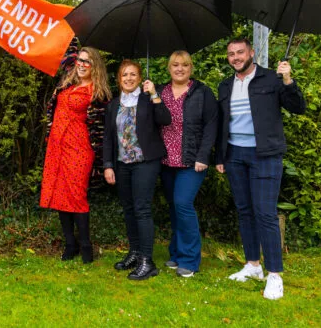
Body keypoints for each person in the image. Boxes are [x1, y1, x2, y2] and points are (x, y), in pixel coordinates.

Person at [215, 38, 306, 300]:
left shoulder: (272, 78)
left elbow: (298, 107)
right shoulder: (225, 85)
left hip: (264, 154)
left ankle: (275, 275)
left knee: (265, 213)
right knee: (245, 211)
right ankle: (253, 265)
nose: (236, 57)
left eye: (240, 52)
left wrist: (288, 80)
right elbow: (222, 124)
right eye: (231, 54)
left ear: (251, 53)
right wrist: (221, 156)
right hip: (235, 155)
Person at [40, 45, 111, 264]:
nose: (81, 64)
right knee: (60, 196)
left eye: (87, 62)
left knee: (77, 196)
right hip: (57, 147)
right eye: (80, 60)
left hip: (80, 148)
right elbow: (66, 55)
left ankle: (86, 246)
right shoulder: (67, 84)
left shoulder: (97, 93)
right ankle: (70, 245)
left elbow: (103, 127)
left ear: (95, 66)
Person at [104, 60, 171, 280]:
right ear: (119, 79)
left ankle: (147, 261)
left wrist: (154, 95)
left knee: (142, 209)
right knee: (129, 209)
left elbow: (165, 119)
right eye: (125, 75)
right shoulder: (113, 104)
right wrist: (108, 165)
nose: (129, 78)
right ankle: (134, 252)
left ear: (140, 78)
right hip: (122, 164)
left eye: (133, 75)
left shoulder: (147, 99)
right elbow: (108, 138)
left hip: (145, 162)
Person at [158, 51, 217, 278]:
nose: (179, 69)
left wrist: (204, 156)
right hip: (166, 160)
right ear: (169, 68)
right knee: (174, 207)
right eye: (175, 65)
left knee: (183, 203)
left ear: (190, 68)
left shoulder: (201, 93)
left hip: (192, 160)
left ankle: (190, 260)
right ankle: (176, 253)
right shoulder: (161, 91)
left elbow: (211, 125)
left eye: (184, 65)